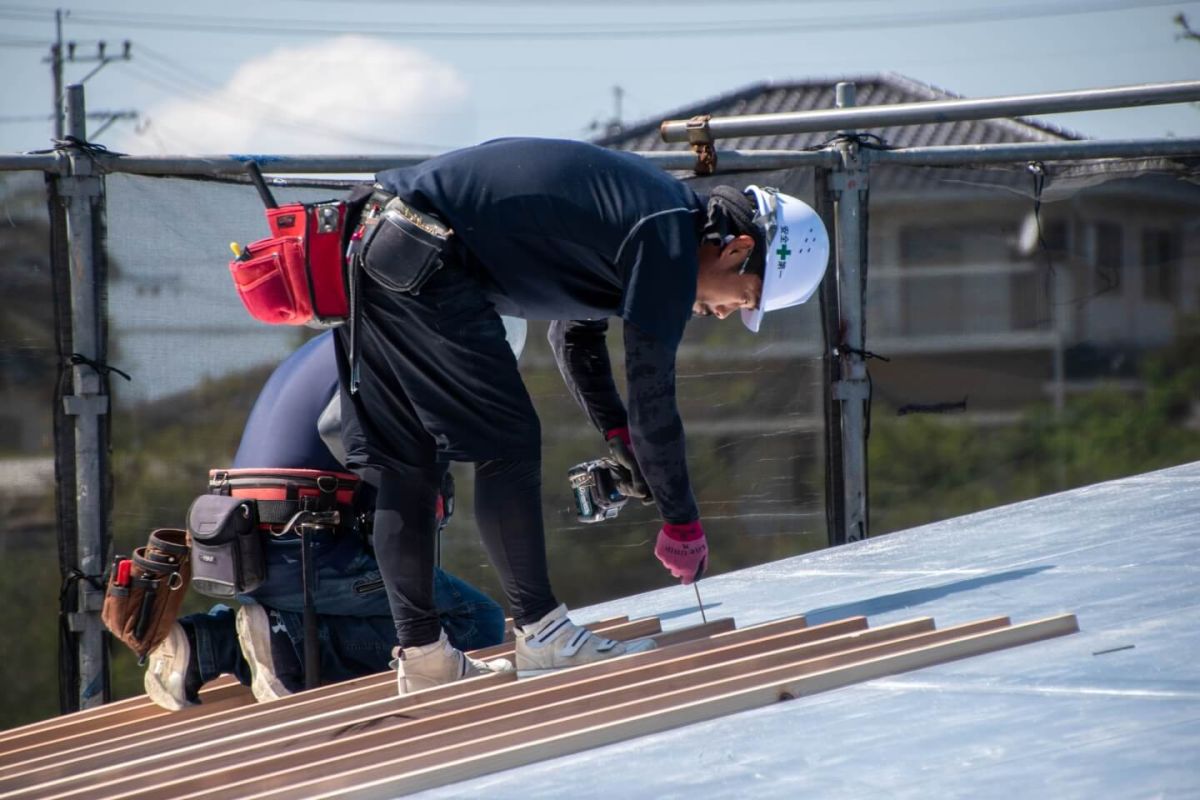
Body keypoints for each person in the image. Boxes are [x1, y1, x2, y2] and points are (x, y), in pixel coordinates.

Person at [338, 137, 829, 693]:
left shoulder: (643, 219)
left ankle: (426, 662)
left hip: (373, 238)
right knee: (509, 445)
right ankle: (544, 634)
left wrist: (620, 438)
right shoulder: (668, 234)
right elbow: (653, 392)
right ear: (738, 249)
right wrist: (682, 520)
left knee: (409, 463)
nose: (721, 313)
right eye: (742, 298)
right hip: (429, 255)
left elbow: (574, 338)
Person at [142, 331, 513, 710]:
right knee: (476, 619)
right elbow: (367, 451)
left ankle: (210, 642)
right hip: (304, 549)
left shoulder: (339, 339)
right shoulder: (404, 347)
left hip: (243, 547)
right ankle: (291, 644)